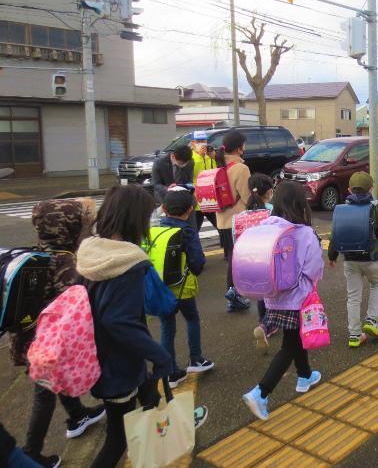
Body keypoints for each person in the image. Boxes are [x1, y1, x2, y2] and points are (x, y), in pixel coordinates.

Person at [75, 185, 207, 468]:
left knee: (148, 387)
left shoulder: (91, 252)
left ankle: (172, 416)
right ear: (135, 219)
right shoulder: (127, 262)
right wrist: (158, 354)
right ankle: (168, 424)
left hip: (98, 353)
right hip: (118, 363)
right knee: (116, 439)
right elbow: (119, 321)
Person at [8, 199, 104, 468]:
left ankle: (77, 414)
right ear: (69, 227)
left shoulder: (33, 255)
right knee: (44, 395)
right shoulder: (64, 261)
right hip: (47, 346)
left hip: (28, 340)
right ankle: (31, 451)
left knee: (52, 382)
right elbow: (75, 305)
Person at [242, 181, 324, 420]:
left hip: (273, 297)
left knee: (295, 336)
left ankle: (305, 375)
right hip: (298, 298)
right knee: (290, 345)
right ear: (301, 205)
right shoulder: (305, 233)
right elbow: (314, 270)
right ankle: (261, 392)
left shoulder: (265, 228)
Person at [327, 172, 378, 347]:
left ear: (349, 189)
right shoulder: (373, 208)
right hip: (370, 259)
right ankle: (371, 320)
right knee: (377, 284)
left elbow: (334, 236)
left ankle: (354, 335)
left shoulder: (341, 209)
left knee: (353, 296)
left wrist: (332, 256)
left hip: (350, 260)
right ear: (371, 189)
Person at [158, 187, 214, 389]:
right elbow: (197, 263)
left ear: (163, 209)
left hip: (160, 290)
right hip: (182, 288)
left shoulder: (155, 230)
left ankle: (171, 372)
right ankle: (196, 359)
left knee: (167, 327)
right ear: (190, 210)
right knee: (191, 318)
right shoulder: (187, 232)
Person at [215, 131, 252, 311]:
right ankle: (233, 293)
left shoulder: (219, 166)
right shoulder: (241, 169)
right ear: (239, 148)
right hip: (238, 222)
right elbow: (247, 197)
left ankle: (233, 297)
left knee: (232, 257)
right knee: (236, 260)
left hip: (222, 221)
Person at [243, 173, 280, 352]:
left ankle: (262, 320)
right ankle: (267, 325)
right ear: (270, 191)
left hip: (250, 259)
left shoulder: (245, 212)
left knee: (260, 293)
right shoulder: (272, 210)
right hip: (269, 259)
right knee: (272, 295)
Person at [190, 131, 222, 245]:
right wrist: (199, 156)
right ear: (193, 143)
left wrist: (212, 156)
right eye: (199, 141)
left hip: (211, 198)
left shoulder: (210, 156)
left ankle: (227, 252)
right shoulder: (191, 157)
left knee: (220, 226)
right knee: (195, 230)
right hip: (197, 199)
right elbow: (192, 173)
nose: (202, 143)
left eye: (204, 141)